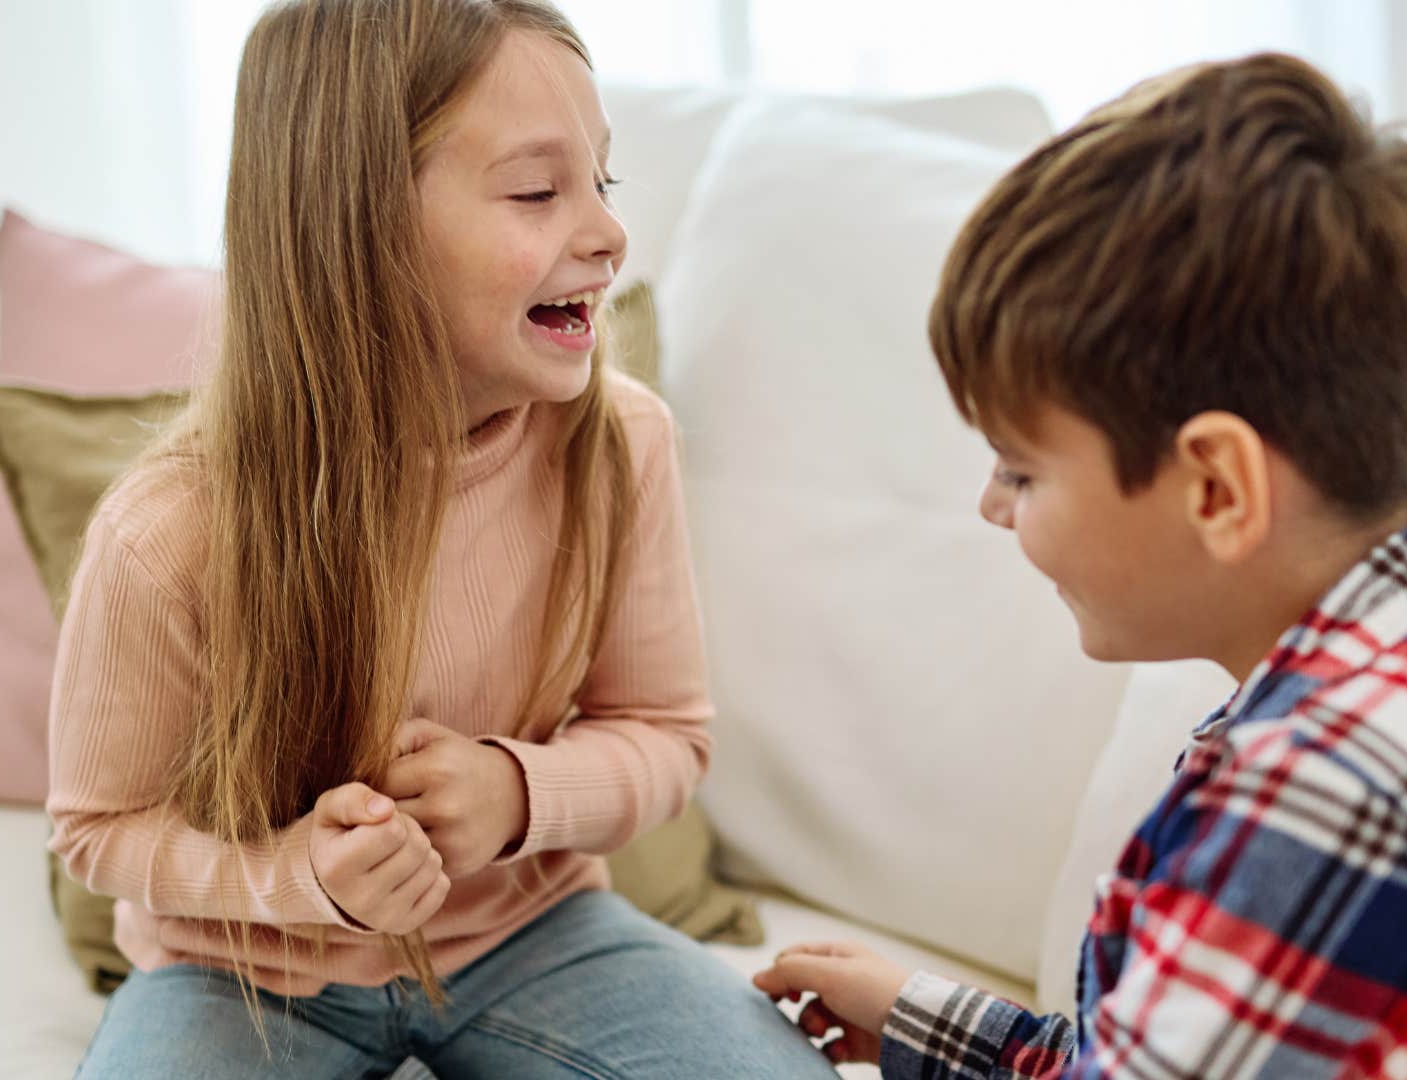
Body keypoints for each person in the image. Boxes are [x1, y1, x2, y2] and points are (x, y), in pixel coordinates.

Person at [754, 52, 1407, 1078]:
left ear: (1219, 490)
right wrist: (922, 1021)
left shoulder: (1324, 801)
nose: (992, 507)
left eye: (1021, 469)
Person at [49, 2, 835, 1076]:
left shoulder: (620, 445)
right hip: (239, 973)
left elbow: (665, 734)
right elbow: (99, 829)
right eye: (535, 191)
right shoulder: (170, 532)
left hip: (536, 935)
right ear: (356, 228)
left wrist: (517, 795)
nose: (607, 234)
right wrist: (299, 879)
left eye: (601, 183)